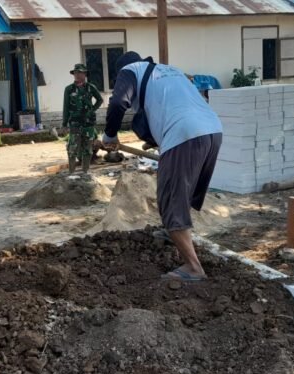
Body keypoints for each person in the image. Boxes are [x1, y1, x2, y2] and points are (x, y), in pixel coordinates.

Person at [102, 51, 223, 282]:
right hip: (212, 130)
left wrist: (109, 135)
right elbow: (171, 106)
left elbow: (118, 102)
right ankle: (173, 233)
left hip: (184, 133)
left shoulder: (130, 71)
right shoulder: (169, 71)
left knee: (170, 198)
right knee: (182, 192)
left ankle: (193, 267)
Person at [63, 63, 103, 174]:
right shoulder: (69, 89)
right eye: (76, 72)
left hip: (88, 123)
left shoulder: (91, 87)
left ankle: (85, 172)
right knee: (72, 148)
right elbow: (66, 107)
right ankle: (71, 173)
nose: (77, 75)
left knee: (87, 149)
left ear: (85, 74)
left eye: (80, 72)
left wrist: (92, 110)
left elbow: (100, 100)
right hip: (75, 123)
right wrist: (64, 124)